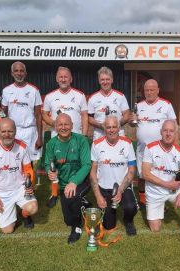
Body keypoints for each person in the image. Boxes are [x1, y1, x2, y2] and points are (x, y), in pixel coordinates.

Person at [142, 120, 180, 248]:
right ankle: (161, 206)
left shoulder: (179, 152)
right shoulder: (150, 148)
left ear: (175, 133)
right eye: (165, 131)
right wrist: (167, 184)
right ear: (161, 132)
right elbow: (145, 174)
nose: (168, 134)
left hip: (173, 190)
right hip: (155, 192)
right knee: (155, 229)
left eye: (171, 131)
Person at [42, 66, 89, 208]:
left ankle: (79, 192)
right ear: (57, 79)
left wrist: (84, 135)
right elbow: (44, 114)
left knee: (78, 165)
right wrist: (57, 124)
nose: (63, 79)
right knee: (54, 165)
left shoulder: (80, 95)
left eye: (66, 76)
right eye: (60, 77)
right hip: (58, 136)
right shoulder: (50, 96)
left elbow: (84, 115)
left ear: (71, 79)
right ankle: (55, 193)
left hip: (76, 138)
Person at [0, 118, 38, 233]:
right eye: (3, 131)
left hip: (19, 189)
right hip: (2, 193)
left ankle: (25, 215)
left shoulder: (22, 147)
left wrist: (29, 185)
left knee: (33, 208)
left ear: (15, 131)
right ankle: (11, 213)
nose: (7, 134)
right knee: (7, 230)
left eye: (10, 131)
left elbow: (28, 169)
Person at [129, 79, 177, 208]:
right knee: (142, 174)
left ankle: (161, 200)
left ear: (158, 90)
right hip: (142, 148)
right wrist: (131, 120)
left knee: (159, 174)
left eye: (152, 90)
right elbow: (132, 124)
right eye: (146, 90)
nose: (149, 92)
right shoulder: (138, 106)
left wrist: (175, 147)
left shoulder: (166, 105)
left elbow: (174, 127)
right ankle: (143, 200)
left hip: (160, 149)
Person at [45, 113, 91, 244]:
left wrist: (74, 182)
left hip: (81, 180)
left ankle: (77, 227)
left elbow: (87, 164)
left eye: (66, 124)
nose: (63, 127)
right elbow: (48, 163)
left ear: (72, 125)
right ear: (55, 126)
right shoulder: (51, 144)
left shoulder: (81, 140)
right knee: (67, 220)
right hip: (62, 183)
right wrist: (50, 172)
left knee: (72, 197)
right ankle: (82, 204)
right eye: (60, 124)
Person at [90, 115, 138, 236]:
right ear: (104, 129)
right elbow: (93, 172)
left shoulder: (127, 143)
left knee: (131, 207)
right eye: (108, 127)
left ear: (119, 127)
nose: (111, 130)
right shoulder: (96, 144)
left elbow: (132, 170)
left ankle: (128, 221)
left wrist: (121, 190)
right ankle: (107, 213)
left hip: (123, 186)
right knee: (108, 226)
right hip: (104, 189)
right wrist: (98, 196)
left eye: (114, 127)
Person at [0, 61, 43, 161]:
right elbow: (3, 115)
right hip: (14, 132)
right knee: (14, 160)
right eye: (16, 71)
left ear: (25, 73)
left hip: (30, 132)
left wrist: (40, 137)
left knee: (32, 161)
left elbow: (38, 115)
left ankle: (32, 177)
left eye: (21, 71)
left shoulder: (34, 90)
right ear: (12, 73)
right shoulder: (6, 90)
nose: (19, 73)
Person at [88, 66, 130, 140]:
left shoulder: (120, 96)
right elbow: (90, 118)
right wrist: (100, 125)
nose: (105, 82)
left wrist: (116, 126)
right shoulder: (93, 98)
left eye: (107, 79)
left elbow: (126, 115)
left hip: (118, 134)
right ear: (99, 80)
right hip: (99, 135)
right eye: (102, 79)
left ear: (112, 80)